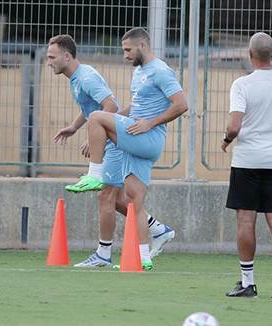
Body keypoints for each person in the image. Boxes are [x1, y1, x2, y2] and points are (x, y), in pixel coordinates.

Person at [46, 34, 175, 269]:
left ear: (66, 56)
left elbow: (110, 106)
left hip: (118, 139)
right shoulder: (77, 78)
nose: (49, 62)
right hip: (116, 134)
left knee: (106, 196)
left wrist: (97, 133)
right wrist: (75, 128)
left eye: (51, 57)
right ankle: (156, 231)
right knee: (119, 199)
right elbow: (95, 109)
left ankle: (104, 254)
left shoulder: (87, 77)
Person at [221, 32, 272, 299]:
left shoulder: (242, 85)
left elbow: (234, 126)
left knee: (246, 219)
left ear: (250, 55)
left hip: (247, 160)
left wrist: (227, 139)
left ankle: (248, 282)